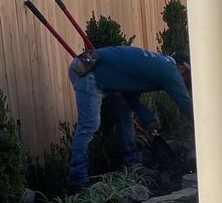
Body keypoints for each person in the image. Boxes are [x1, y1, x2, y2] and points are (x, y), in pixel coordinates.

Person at [67, 45, 192, 189]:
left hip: (95, 65)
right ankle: (77, 180)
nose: (186, 83)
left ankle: (133, 164)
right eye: (188, 78)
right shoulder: (170, 71)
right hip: (89, 70)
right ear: (182, 68)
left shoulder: (157, 64)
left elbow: (130, 96)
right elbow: (186, 104)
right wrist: (204, 124)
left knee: (124, 114)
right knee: (89, 124)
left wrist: (148, 119)